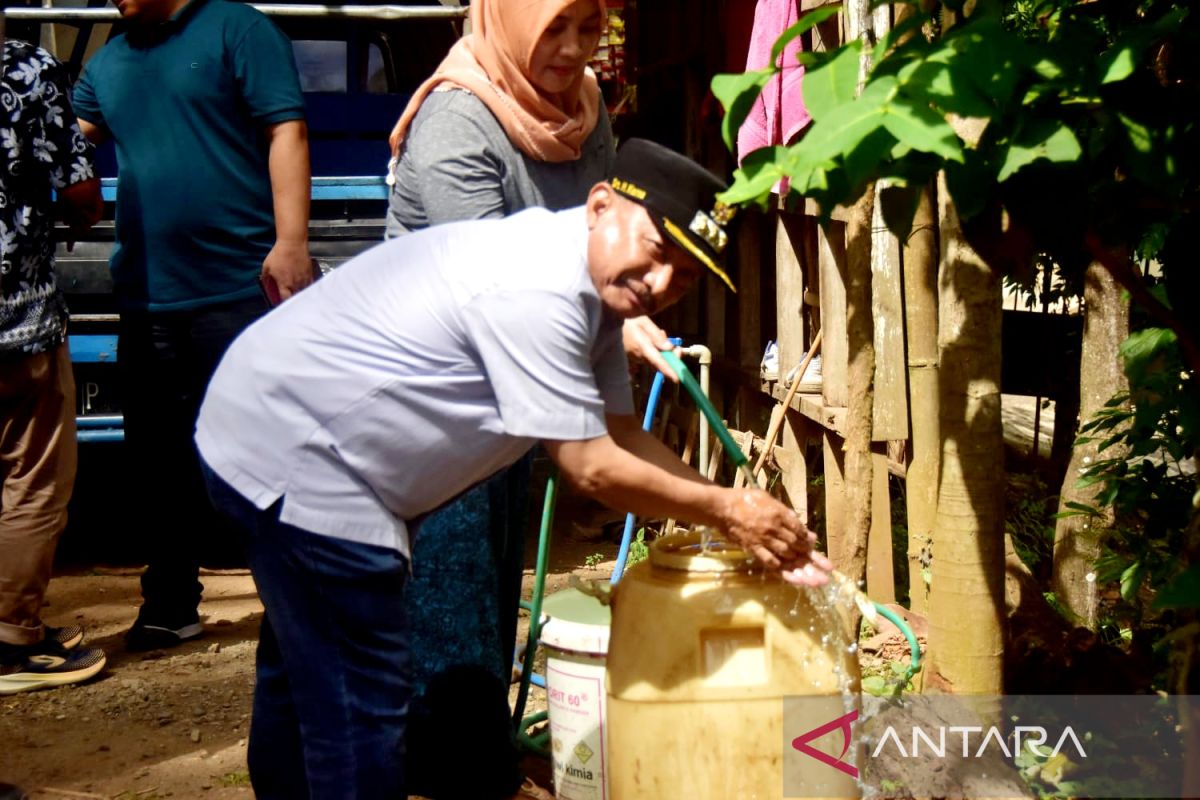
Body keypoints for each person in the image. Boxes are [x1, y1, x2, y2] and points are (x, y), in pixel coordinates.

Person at [194, 138, 834, 800]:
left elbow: (619, 434)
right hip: (301, 455)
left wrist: (733, 508)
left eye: (689, 273)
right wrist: (733, 511)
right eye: (658, 249)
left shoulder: (596, 295)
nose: (664, 282)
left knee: (307, 679)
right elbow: (590, 467)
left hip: (279, 428)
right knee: (360, 706)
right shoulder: (540, 287)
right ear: (599, 204)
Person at [384, 1, 623, 796]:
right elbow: (491, 288)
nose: (571, 49)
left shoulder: (588, 116)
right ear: (511, 17)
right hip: (433, 394)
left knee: (490, 581)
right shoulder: (458, 120)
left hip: (510, 392)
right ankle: (461, 770)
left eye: (587, 29)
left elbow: (602, 252)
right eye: (553, 26)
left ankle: (469, 750)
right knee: (449, 586)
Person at [72, 0, 312, 651]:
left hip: (238, 288)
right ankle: (169, 603)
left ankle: (298, 598)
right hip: (147, 296)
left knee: (264, 450)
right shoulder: (110, 61)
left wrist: (291, 240)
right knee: (156, 460)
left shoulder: (238, 29)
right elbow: (63, 141)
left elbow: (285, 129)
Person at [0, 36, 106, 694]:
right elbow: (82, 190)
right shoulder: (23, 67)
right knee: (33, 476)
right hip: (18, 322)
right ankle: (11, 637)